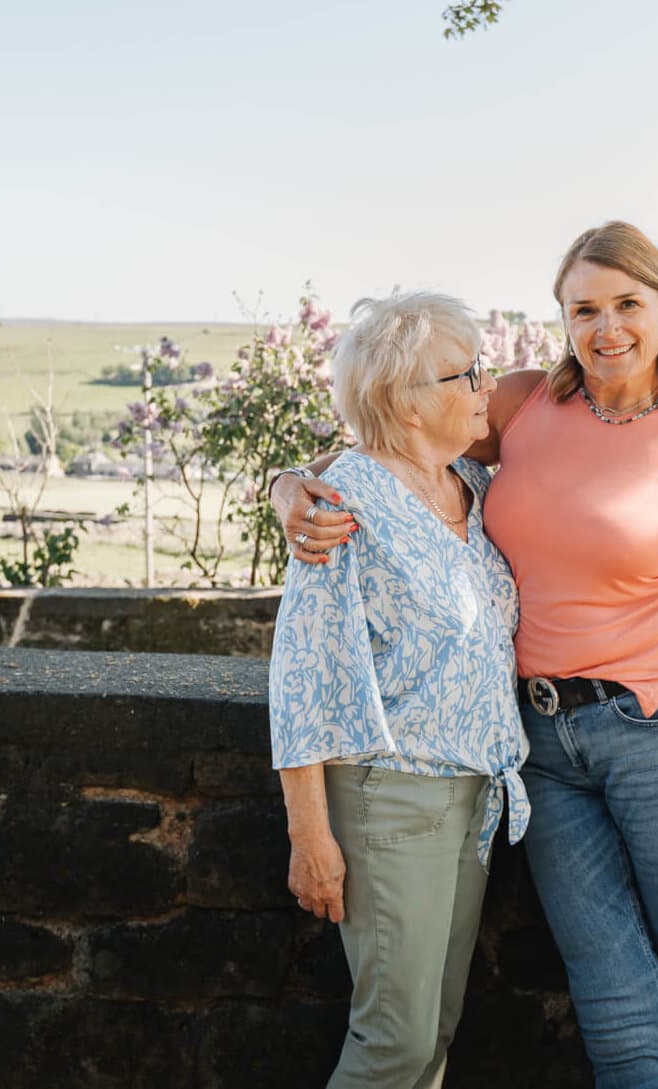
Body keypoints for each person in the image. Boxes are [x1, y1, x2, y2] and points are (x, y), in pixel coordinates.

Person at [273, 221, 658, 1089]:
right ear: (562, 317)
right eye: (584, 307)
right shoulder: (518, 403)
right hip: (539, 747)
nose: (606, 327)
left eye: (627, 303)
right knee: (613, 1006)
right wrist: (286, 486)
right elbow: (388, 446)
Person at [268, 292, 530, 1089]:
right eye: (468, 372)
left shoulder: (470, 488)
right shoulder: (344, 503)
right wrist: (310, 837)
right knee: (396, 1041)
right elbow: (302, 680)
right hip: (390, 797)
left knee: (435, 1031)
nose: (488, 386)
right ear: (405, 400)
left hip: (470, 798)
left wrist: (280, 475)